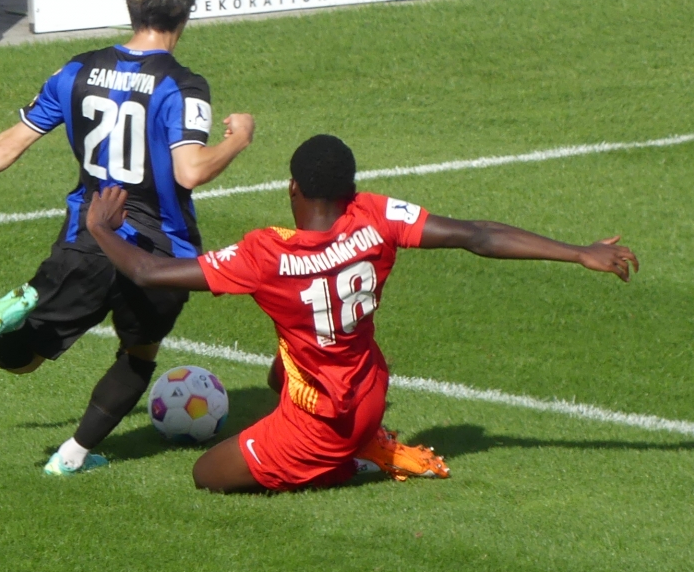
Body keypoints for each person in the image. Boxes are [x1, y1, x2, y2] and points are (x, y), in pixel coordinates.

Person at [81, 133, 639, 493]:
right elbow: (478, 234)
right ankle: (359, 439)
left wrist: (101, 227)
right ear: (348, 189)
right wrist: (577, 252)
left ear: (293, 187)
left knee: (205, 477)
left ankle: (354, 460)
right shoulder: (374, 215)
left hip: (325, 423)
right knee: (283, 366)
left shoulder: (265, 254)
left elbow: (148, 272)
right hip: (370, 382)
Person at [0, 0, 254, 476]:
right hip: (161, 251)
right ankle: (71, 457)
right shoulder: (183, 84)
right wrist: (239, 140)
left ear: (130, 3)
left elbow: (16, 138)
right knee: (139, 353)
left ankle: (26, 304)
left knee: (21, 359)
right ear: (186, 8)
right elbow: (191, 171)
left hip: (90, 238)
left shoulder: (78, 71)